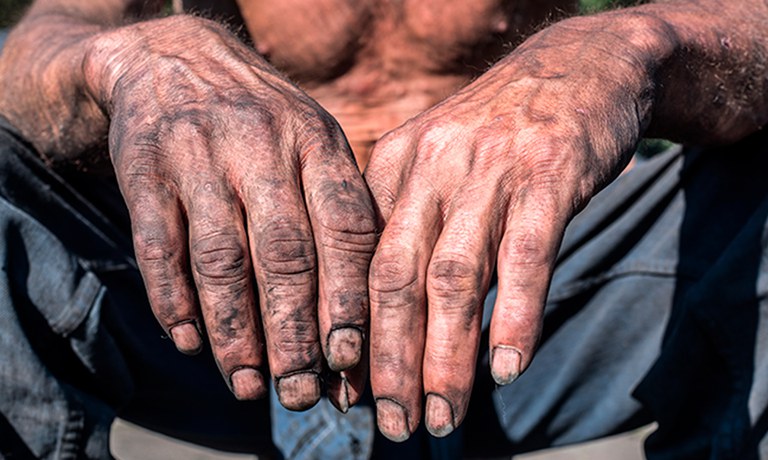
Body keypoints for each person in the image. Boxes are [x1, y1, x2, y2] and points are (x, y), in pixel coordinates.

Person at [0, 0, 766, 458]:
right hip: (223, 295)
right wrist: (135, 56)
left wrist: (628, 45)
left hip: (533, 292)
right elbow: (37, 46)